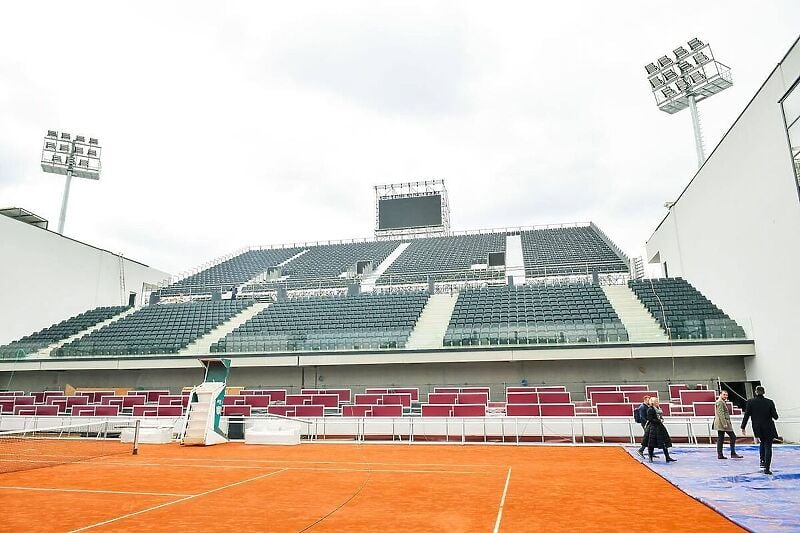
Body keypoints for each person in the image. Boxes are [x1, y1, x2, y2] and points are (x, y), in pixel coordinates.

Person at [741, 386, 779, 475]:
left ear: (755, 392)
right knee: (768, 446)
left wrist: (743, 426)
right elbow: (775, 416)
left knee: (762, 442)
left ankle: (762, 460)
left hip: (757, 427)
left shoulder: (750, 402)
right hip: (769, 427)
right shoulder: (770, 402)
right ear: (764, 392)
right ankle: (767, 468)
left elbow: (746, 415)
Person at [643, 397, 676, 463]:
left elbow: (659, 416)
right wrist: (658, 420)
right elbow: (650, 419)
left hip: (660, 427)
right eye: (656, 401)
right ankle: (650, 457)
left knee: (664, 443)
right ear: (653, 402)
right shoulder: (650, 409)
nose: (658, 402)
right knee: (651, 443)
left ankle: (667, 457)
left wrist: (661, 419)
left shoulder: (658, 408)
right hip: (652, 427)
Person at [713, 390, 742, 459]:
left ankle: (720, 454)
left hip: (720, 423)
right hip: (723, 423)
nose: (725, 396)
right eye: (724, 394)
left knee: (721, 438)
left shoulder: (721, 402)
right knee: (732, 437)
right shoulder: (720, 402)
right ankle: (732, 453)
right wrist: (724, 423)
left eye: (726, 395)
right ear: (720, 394)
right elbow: (721, 413)